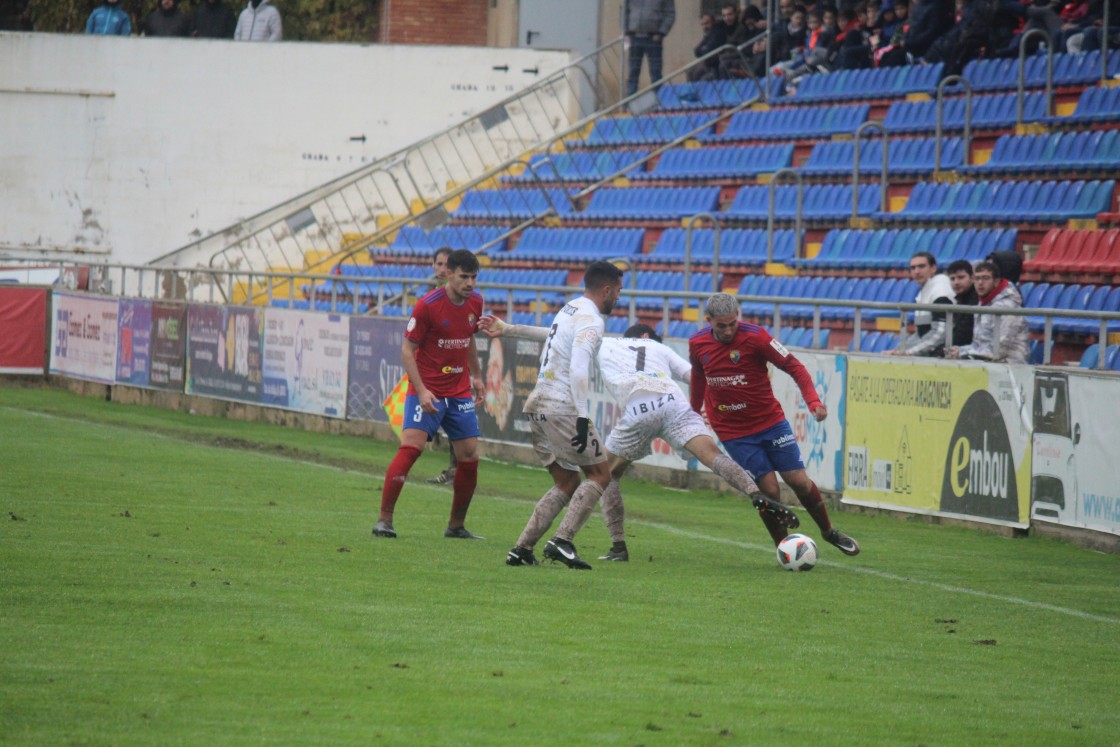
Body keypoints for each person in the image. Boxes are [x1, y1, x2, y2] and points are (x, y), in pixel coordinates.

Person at [480, 321, 799, 564]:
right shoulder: (660, 350)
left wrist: (508, 329)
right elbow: (699, 376)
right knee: (712, 455)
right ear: (649, 339)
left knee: (603, 475)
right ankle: (757, 494)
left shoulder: (606, 344)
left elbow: (555, 334)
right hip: (674, 402)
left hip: (640, 408)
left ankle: (609, 544)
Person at [689, 293, 860, 556]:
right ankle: (784, 548)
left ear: (738, 317)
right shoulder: (697, 343)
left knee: (798, 480)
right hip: (733, 431)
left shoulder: (757, 337)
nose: (727, 330)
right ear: (709, 320)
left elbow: (795, 368)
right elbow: (699, 376)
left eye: (732, 323)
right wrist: (693, 410)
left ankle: (829, 532)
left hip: (770, 422)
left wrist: (813, 401)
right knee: (768, 489)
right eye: (720, 325)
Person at [483, 261, 623, 569]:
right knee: (600, 474)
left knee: (566, 482)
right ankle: (563, 540)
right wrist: (583, 416)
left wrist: (510, 329)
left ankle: (521, 549)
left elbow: (551, 335)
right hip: (562, 408)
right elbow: (578, 365)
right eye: (618, 292)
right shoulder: (592, 319)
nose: (619, 298)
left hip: (537, 404)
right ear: (607, 290)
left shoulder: (571, 309)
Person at [372, 249, 486, 540]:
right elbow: (407, 350)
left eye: (474, 277)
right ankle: (384, 520)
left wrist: (477, 376)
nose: (470, 283)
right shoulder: (427, 305)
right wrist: (421, 390)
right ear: (448, 273)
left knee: (470, 455)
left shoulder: (476, 302)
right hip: (428, 390)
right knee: (412, 447)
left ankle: (456, 526)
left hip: (459, 391)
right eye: (464, 277)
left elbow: (468, 339)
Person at [425, 247, 460, 486]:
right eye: (437, 264)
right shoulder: (431, 294)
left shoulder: (459, 296)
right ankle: (454, 471)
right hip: (434, 370)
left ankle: (457, 472)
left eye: (445, 265)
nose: (440, 269)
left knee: (459, 425)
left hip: (454, 371)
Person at [949, 260, 1029, 363]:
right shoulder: (982, 303)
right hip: (986, 363)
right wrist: (959, 350)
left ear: (996, 282)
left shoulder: (1007, 307)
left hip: (1010, 366)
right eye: (977, 278)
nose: (980, 283)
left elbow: (998, 350)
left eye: (985, 278)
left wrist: (963, 353)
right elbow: (978, 344)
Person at [888, 251, 954, 357]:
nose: (917, 271)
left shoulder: (940, 291)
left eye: (921, 266)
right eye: (913, 268)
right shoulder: (925, 291)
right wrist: (898, 350)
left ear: (933, 268)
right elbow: (921, 333)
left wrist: (908, 352)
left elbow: (940, 334)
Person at [625, 0, 676, 95]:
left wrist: (661, 33)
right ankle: (629, 102)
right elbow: (624, 11)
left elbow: (670, 14)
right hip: (634, 37)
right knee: (633, 71)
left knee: (655, 72)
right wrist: (626, 32)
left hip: (653, 38)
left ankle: (658, 100)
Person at [946, 259, 978, 349]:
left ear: (972, 278)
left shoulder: (976, 300)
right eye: (952, 279)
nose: (956, 282)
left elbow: (964, 334)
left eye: (961, 277)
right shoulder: (960, 299)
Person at [688, 13, 728, 81]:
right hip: (708, 64)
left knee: (703, 79)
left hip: (716, 65)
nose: (704, 27)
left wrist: (705, 48)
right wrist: (705, 49)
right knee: (691, 71)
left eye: (707, 23)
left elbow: (709, 50)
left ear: (713, 22)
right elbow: (696, 51)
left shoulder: (718, 33)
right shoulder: (708, 35)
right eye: (702, 24)